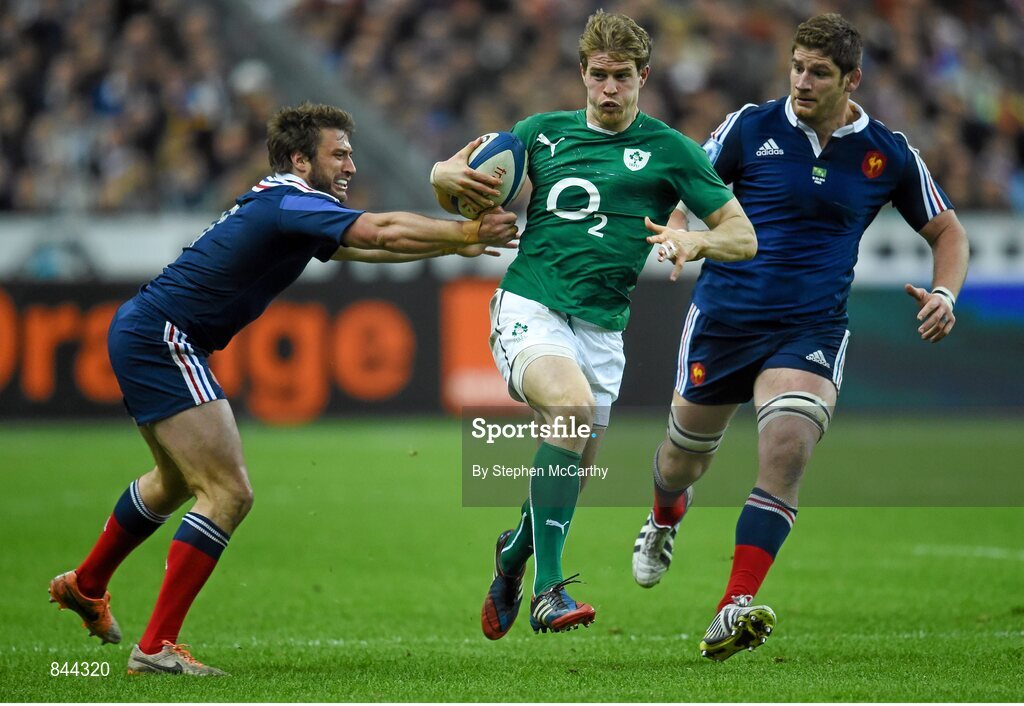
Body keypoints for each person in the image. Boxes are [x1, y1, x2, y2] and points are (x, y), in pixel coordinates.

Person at [48, 102, 518, 676]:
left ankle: (87, 584)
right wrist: (466, 229)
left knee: (174, 481)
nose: (350, 164)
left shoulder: (287, 203)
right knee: (228, 494)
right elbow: (380, 230)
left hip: (147, 329)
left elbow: (354, 246)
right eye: (338, 154)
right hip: (165, 337)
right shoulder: (291, 199)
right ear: (301, 159)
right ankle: (156, 649)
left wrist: (455, 244)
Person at [629, 13, 970, 662]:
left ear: (852, 80)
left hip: (809, 327)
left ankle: (732, 606)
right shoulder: (752, 126)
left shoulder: (888, 153)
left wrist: (946, 293)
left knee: (787, 448)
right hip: (726, 318)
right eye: (797, 67)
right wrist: (676, 229)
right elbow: (689, 187)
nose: (802, 81)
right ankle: (664, 518)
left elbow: (948, 232)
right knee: (681, 460)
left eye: (819, 72)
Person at [431, 11, 756, 638]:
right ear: (582, 73)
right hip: (531, 303)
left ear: (644, 77)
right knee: (572, 414)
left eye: (623, 77)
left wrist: (696, 245)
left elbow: (742, 236)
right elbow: (454, 176)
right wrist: (443, 176)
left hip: (603, 327)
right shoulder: (539, 133)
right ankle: (549, 592)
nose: (610, 89)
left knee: (574, 467)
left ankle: (514, 553)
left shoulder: (671, 151)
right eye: (600, 75)